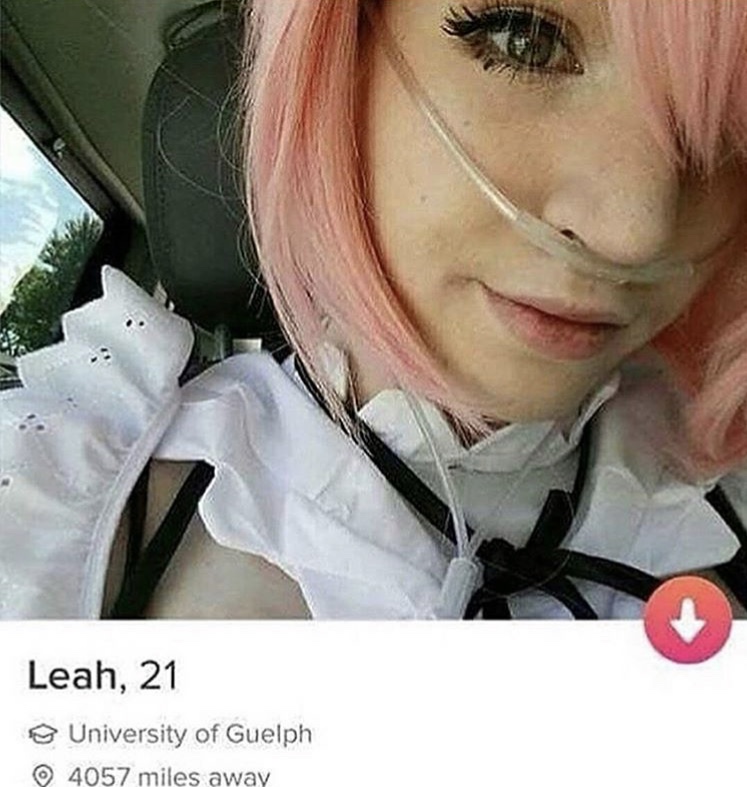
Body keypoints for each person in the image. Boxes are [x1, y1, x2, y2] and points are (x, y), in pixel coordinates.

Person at [1, 0, 746, 620]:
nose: (634, 232)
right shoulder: (66, 505)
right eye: (522, 39)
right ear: (337, 58)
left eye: (732, 113)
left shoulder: (710, 501)